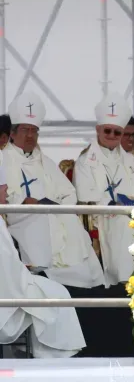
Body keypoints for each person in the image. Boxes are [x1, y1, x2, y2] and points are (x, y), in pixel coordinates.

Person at [2, 92, 104, 289]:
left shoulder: (46, 162)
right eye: (25, 130)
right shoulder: (3, 160)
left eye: (34, 130)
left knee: (71, 223)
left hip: (53, 213)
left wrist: (59, 207)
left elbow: (69, 193)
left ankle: (84, 284)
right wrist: (23, 202)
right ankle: (48, 277)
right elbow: (6, 196)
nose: (30, 135)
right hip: (22, 217)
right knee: (41, 221)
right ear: (13, 133)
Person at [0, 163, 87, 358]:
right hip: (8, 290)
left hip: (9, 282)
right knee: (59, 294)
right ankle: (55, 357)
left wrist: (19, 268)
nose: (6, 194)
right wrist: (25, 273)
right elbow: (8, 270)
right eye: (4, 189)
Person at [73, 93, 134, 287]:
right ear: (98, 129)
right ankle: (127, 282)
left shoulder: (131, 161)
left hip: (133, 216)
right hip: (102, 219)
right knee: (125, 227)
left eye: (118, 133)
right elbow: (85, 198)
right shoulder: (85, 162)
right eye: (107, 131)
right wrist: (112, 206)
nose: (112, 136)